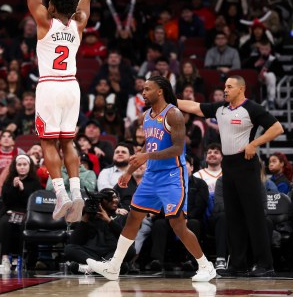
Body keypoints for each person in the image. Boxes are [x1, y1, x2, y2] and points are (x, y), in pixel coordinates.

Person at [87, 76, 216, 282]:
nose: (143, 93)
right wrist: (129, 171)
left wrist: (146, 157)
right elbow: (149, 145)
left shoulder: (173, 114)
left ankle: (206, 266)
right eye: (143, 89)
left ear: (160, 91)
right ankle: (114, 266)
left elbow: (177, 148)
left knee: (177, 224)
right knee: (133, 218)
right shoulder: (146, 115)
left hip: (173, 175)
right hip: (151, 175)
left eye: (147, 89)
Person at [177, 75, 284, 276]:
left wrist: (254, 144)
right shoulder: (221, 108)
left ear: (241, 89)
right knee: (232, 216)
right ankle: (237, 264)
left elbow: (277, 128)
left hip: (247, 164)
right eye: (224, 86)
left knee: (254, 216)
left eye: (229, 86)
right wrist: (169, 100)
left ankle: (265, 264)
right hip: (229, 165)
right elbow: (194, 106)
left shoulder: (252, 108)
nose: (225, 90)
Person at [25, 0, 92, 222]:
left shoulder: (44, 22)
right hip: (72, 88)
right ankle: (77, 194)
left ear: (52, 7)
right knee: (68, 142)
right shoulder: (79, 23)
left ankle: (62, 196)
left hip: (50, 86)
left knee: (48, 142)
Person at [0, 154, 42, 273]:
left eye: (24, 165)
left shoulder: (35, 182)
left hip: (27, 213)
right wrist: (13, 187)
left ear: (29, 166)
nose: (22, 167)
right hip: (11, 211)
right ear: (15, 166)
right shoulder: (9, 181)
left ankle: (21, 259)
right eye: (19, 165)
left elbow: (34, 202)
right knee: (4, 223)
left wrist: (22, 189)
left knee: (24, 224)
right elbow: (6, 200)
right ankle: (5, 258)